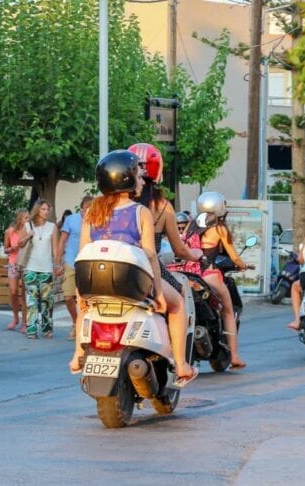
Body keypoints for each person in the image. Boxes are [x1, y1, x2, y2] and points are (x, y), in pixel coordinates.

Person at [70, 150, 200, 387]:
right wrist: (158, 292)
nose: (142, 181)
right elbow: (150, 254)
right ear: (127, 179)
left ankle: (78, 354)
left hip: (94, 279)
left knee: (86, 310)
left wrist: (81, 293)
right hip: (130, 281)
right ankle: (181, 364)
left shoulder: (91, 211)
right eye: (139, 177)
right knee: (178, 304)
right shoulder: (141, 212)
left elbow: (83, 253)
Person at [129, 143, 202, 385]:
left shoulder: (113, 203)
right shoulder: (162, 207)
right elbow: (178, 248)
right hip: (149, 269)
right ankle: (180, 362)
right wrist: (195, 254)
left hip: (114, 267)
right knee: (179, 299)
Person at [183, 191, 248, 369]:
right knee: (228, 312)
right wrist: (243, 265)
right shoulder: (219, 229)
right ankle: (234, 356)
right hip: (209, 275)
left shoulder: (191, 225)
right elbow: (234, 257)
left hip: (188, 275)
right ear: (220, 208)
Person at [54, 195, 93, 340]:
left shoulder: (97, 221)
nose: (88, 211)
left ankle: (83, 326)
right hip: (71, 261)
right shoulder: (71, 220)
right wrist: (57, 263)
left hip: (88, 263)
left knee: (85, 299)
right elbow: (62, 241)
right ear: (81, 207)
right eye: (86, 208)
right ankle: (75, 321)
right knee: (68, 296)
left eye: (91, 208)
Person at [22, 199, 59, 338]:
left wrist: (57, 264)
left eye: (48, 209)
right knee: (31, 301)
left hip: (46, 268)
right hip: (30, 267)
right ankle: (31, 330)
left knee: (47, 301)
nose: (46, 212)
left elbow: (55, 249)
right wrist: (28, 236)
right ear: (37, 210)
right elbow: (19, 244)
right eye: (43, 209)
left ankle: (47, 329)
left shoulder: (52, 227)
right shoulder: (28, 225)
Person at [3, 208, 32, 332]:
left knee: (25, 294)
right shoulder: (10, 231)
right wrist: (11, 249)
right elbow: (5, 249)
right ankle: (15, 318)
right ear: (19, 218)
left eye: (28, 217)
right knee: (13, 291)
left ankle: (25, 322)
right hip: (13, 262)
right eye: (25, 218)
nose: (28, 220)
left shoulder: (30, 231)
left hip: (25, 263)